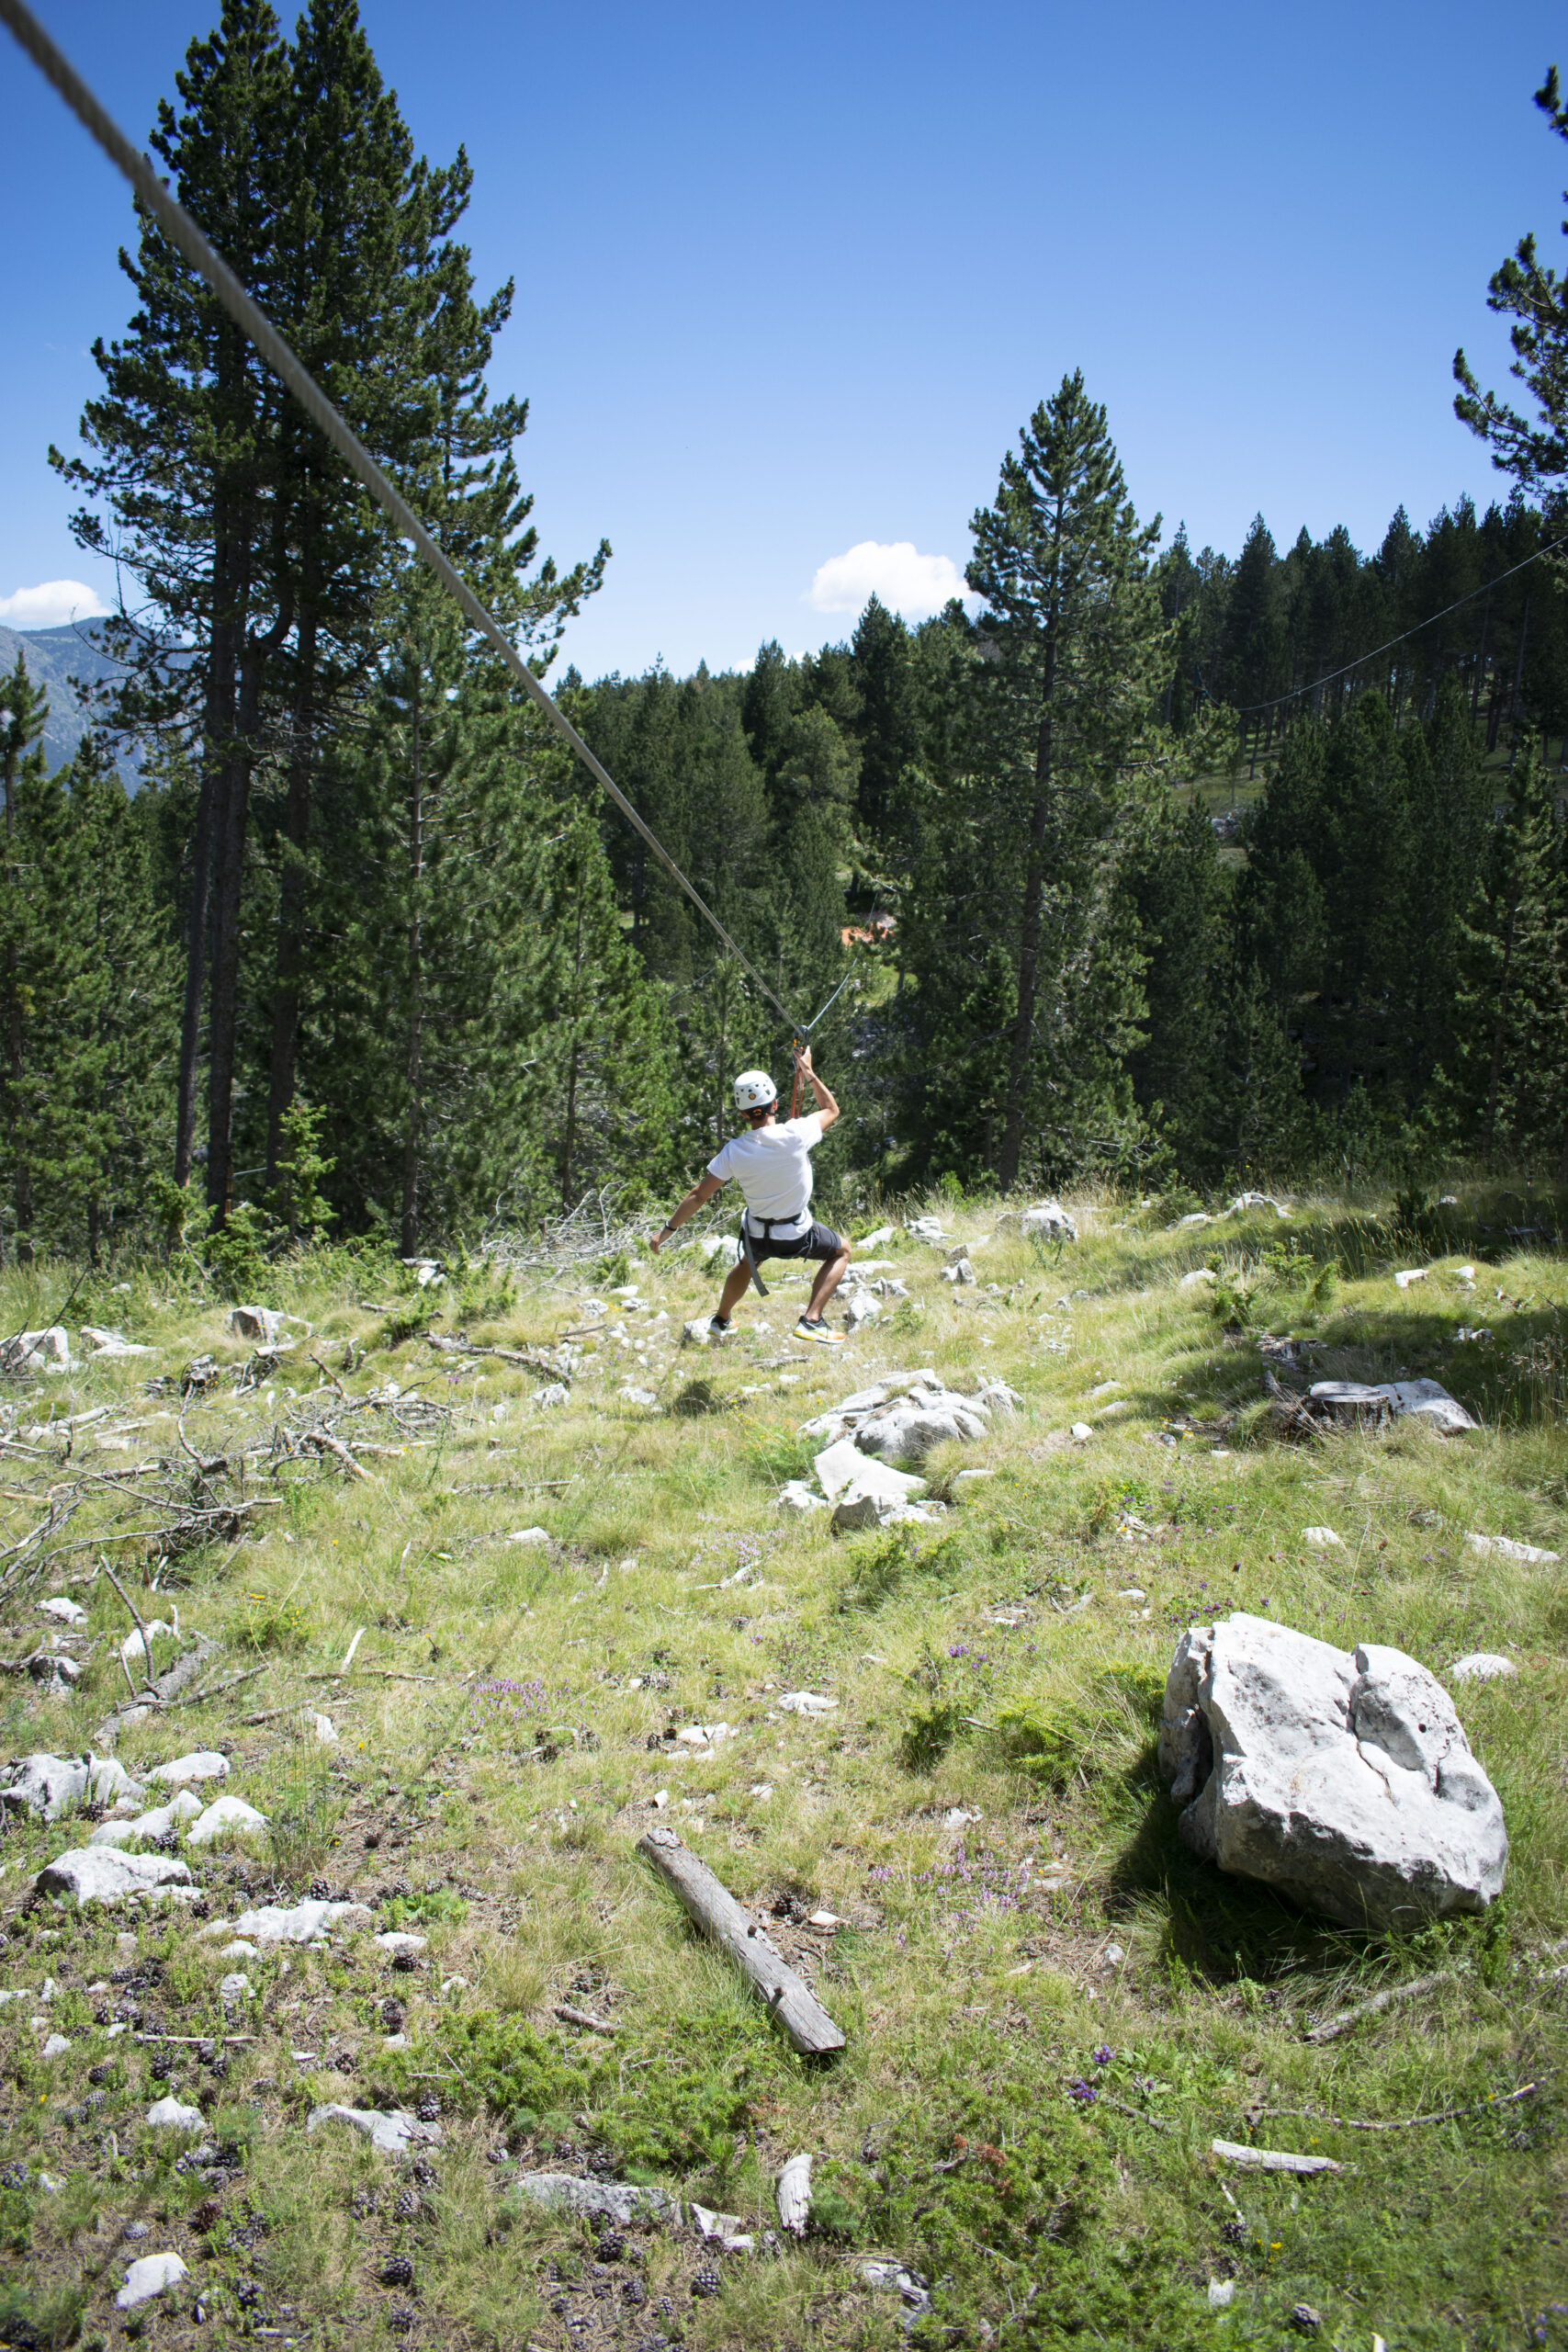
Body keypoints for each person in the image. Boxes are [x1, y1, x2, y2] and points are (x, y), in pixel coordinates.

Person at [649, 1046, 852, 1344]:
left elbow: (698, 1195)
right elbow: (831, 1109)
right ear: (776, 1104)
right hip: (796, 1234)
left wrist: (667, 1231)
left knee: (747, 1264)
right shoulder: (796, 1133)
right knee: (842, 1251)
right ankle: (811, 1320)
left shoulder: (734, 1151)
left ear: (743, 1113)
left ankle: (721, 1320)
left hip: (757, 1234)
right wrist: (807, 1069)